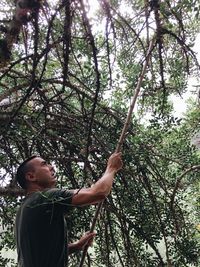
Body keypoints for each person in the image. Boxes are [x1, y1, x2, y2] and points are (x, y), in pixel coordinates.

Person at [15, 152, 123, 267]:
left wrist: (77, 246)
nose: (51, 167)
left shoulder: (26, 207)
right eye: (44, 164)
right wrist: (111, 168)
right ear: (31, 176)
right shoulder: (44, 198)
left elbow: (43, 252)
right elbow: (98, 193)